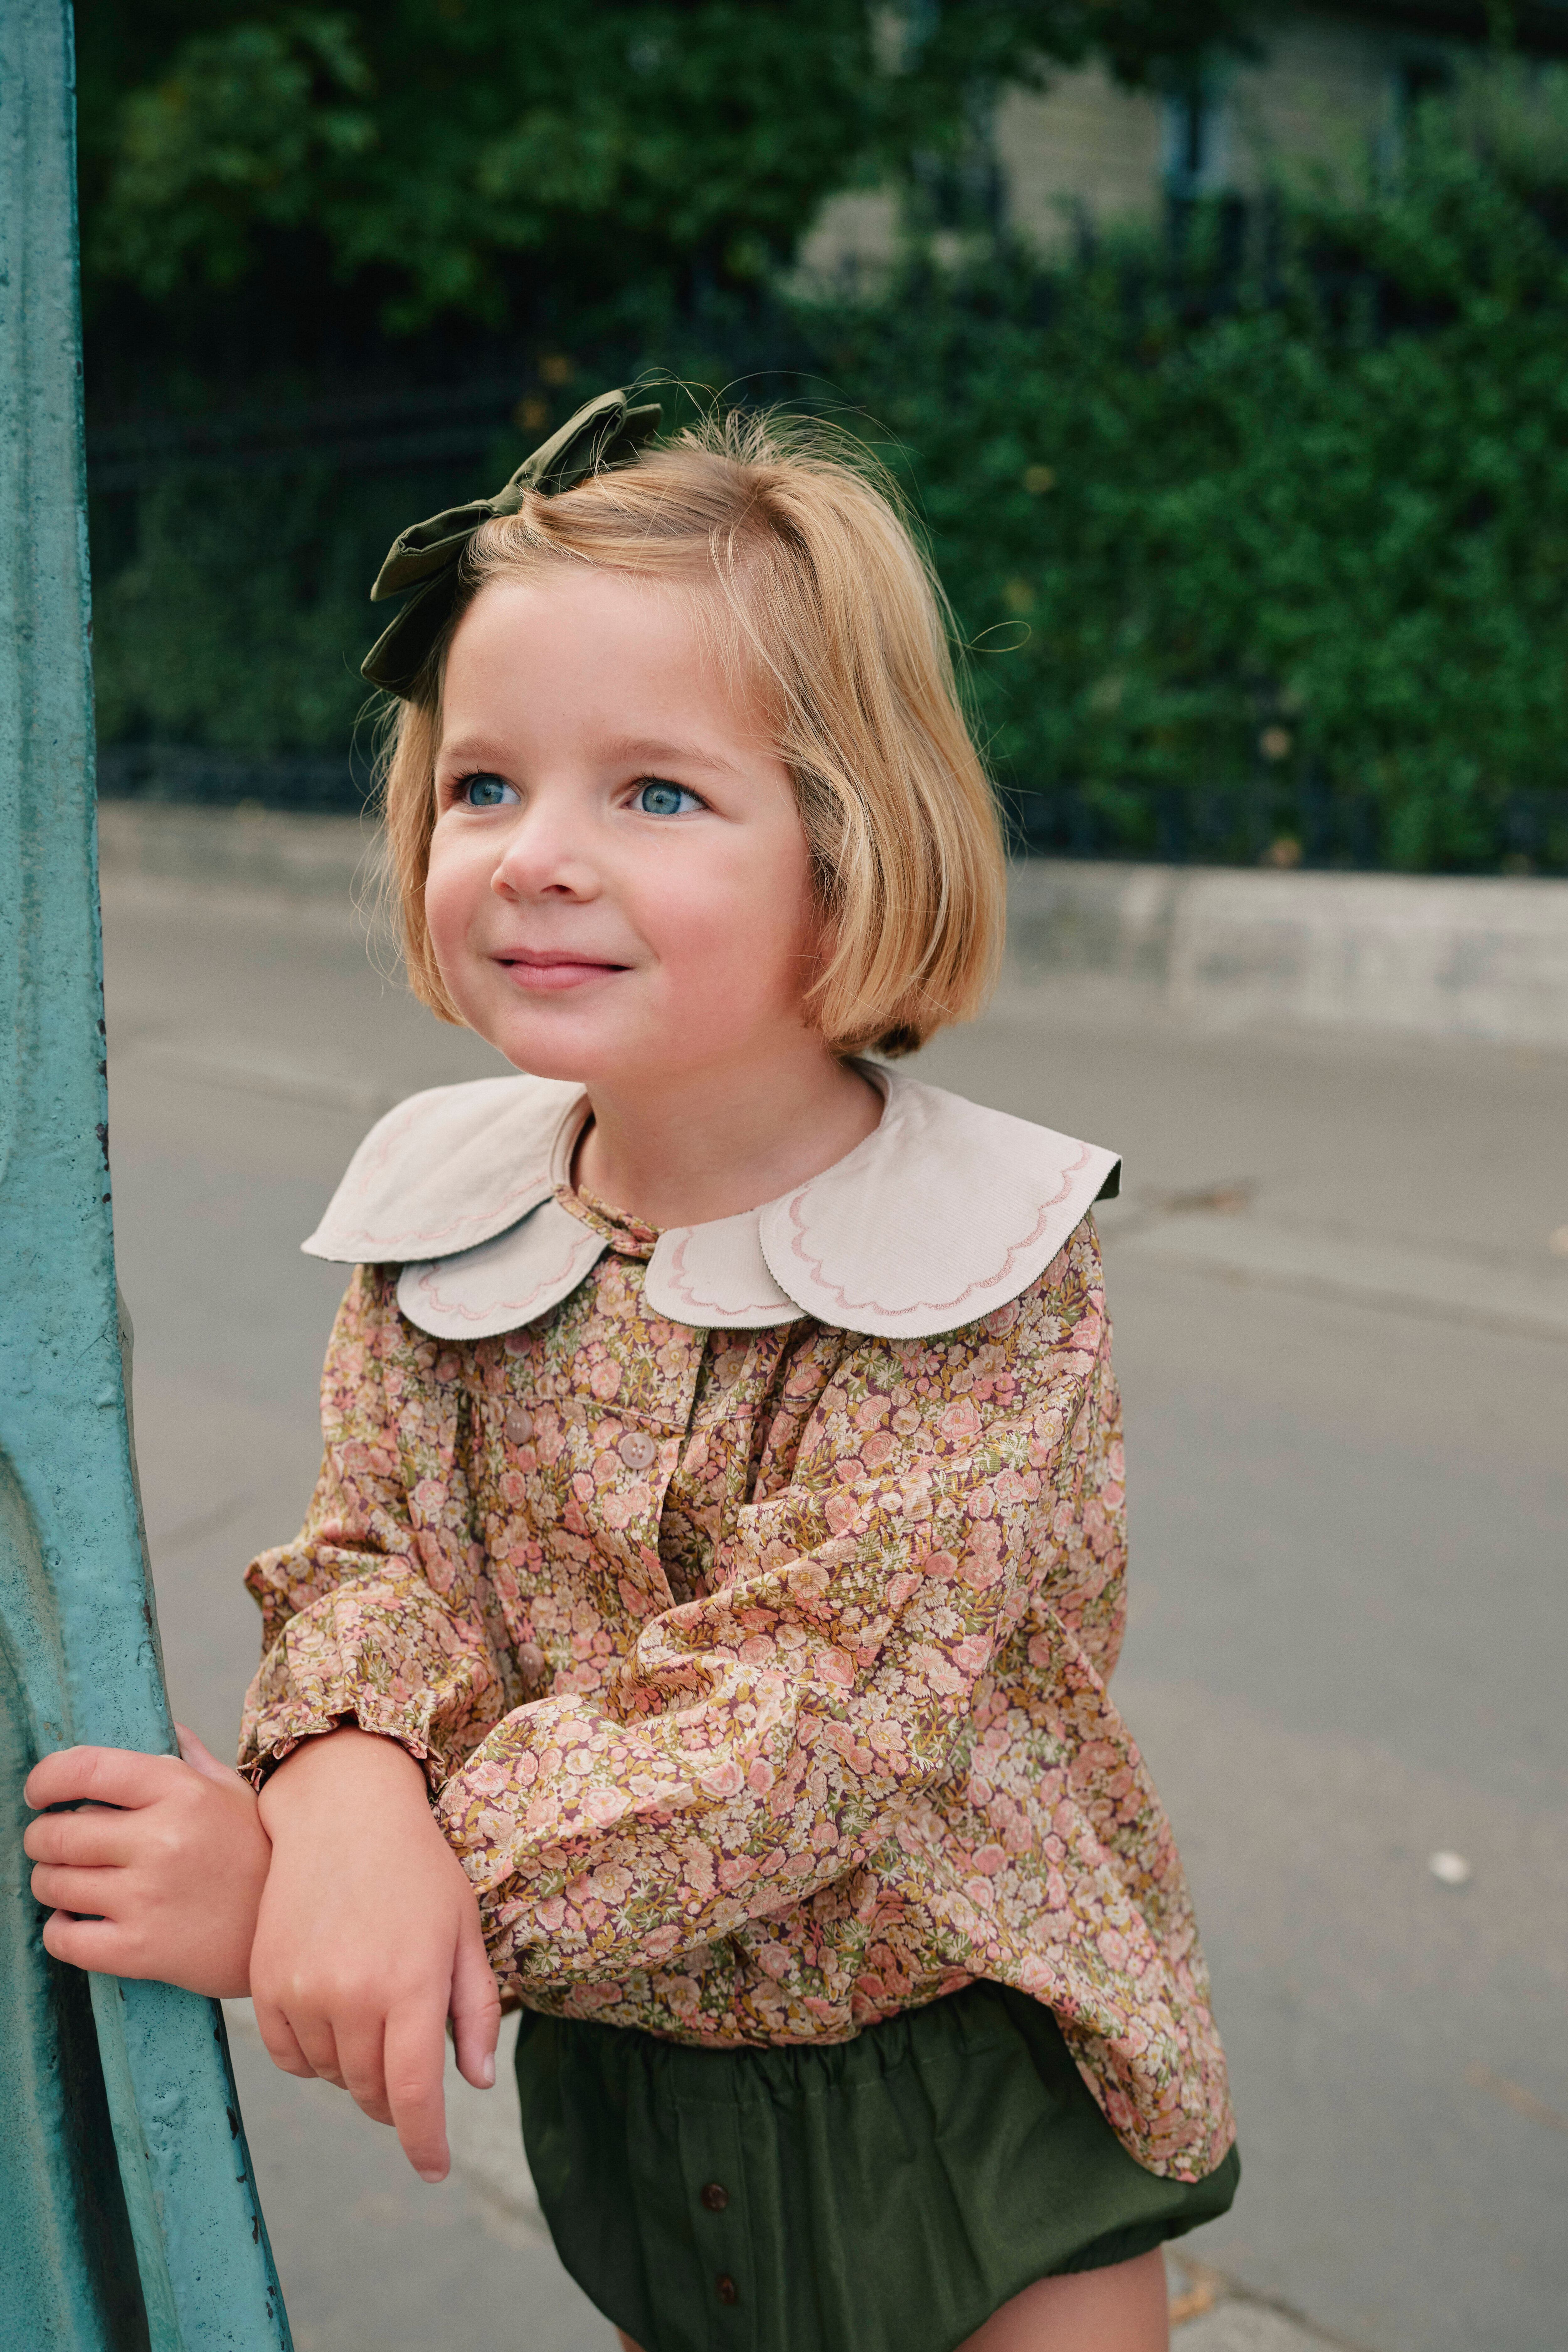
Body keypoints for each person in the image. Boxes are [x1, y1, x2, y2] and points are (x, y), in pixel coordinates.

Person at [25, 389, 1238, 2352]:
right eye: (486, 785)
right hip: (637, 2085)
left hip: (970, 2093)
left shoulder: (978, 1264)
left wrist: (318, 1897)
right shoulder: (447, 1208)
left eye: (655, 795)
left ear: (844, 846)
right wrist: (341, 1779)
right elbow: (370, 1559)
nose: (535, 857)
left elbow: (806, 1722)